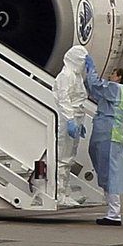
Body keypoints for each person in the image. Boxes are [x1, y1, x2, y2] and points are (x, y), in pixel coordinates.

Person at [84, 55, 123, 225]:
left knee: (109, 173)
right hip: (112, 133)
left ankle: (114, 213)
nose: (110, 77)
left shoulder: (116, 89)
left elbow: (95, 87)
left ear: (120, 77)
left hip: (108, 133)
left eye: (113, 74)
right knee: (108, 172)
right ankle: (112, 211)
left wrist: (91, 70)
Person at [53, 45, 89, 205]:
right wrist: (70, 120)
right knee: (63, 157)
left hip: (75, 118)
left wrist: (78, 122)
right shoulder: (66, 75)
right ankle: (59, 194)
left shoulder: (76, 76)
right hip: (67, 119)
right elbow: (63, 99)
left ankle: (65, 191)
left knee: (69, 157)